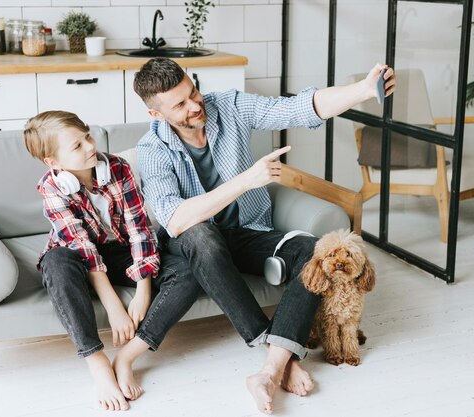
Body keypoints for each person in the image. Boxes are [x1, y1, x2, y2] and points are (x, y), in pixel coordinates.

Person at [134, 58, 396, 414]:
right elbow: (176, 220)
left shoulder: (227, 105)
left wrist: (363, 90)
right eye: (179, 105)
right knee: (201, 237)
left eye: (192, 92)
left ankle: (270, 368)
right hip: (197, 241)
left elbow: (300, 107)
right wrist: (247, 180)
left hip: (247, 230)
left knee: (312, 251)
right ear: (156, 114)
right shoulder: (152, 150)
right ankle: (283, 358)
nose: (195, 105)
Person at [23, 111, 203, 412]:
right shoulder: (51, 188)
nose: (90, 147)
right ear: (53, 163)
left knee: (187, 272)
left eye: (87, 137)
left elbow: (140, 230)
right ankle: (98, 365)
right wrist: (114, 307)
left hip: (120, 251)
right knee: (56, 262)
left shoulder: (118, 168)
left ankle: (128, 355)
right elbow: (83, 248)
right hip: (77, 258)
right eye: (77, 147)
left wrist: (143, 290)